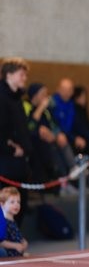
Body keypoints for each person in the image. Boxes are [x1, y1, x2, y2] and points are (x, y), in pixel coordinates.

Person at [24, 83, 78, 196]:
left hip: (50, 139)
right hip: (33, 142)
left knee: (62, 139)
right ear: (35, 96)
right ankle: (62, 182)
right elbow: (29, 126)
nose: (46, 96)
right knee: (51, 148)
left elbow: (53, 125)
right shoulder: (26, 105)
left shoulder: (47, 111)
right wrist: (41, 108)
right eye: (43, 94)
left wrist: (57, 134)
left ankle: (73, 169)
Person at [0, 58, 33, 223]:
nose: (24, 78)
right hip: (5, 163)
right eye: (21, 74)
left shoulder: (17, 99)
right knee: (6, 206)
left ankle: (15, 243)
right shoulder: (2, 98)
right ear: (9, 75)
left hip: (18, 163)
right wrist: (12, 149)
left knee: (19, 206)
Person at [1, 187, 28, 258]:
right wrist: (15, 246)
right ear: (2, 204)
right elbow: (1, 242)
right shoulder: (3, 222)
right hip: (8, 253)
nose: (16, 204)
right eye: (12, 202)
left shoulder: (12, 221)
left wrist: (23, 241)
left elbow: (15, 236)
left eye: (18, 202)